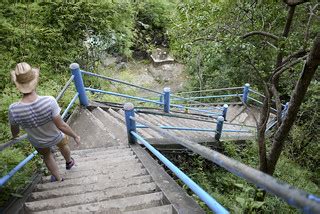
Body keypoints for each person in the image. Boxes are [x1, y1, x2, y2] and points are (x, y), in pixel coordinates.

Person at [8, 62, 81, 182]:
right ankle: (69, 162)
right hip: (56, 136)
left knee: (47, 156)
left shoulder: (14, 109)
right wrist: (75, 136)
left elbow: (15, 130)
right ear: (35, 82)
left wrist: (15, 136)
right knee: (63, 145)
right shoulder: (49, 101)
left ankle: (58, 178)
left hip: (38, 141)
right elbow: (61, 125)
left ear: (18, 85)